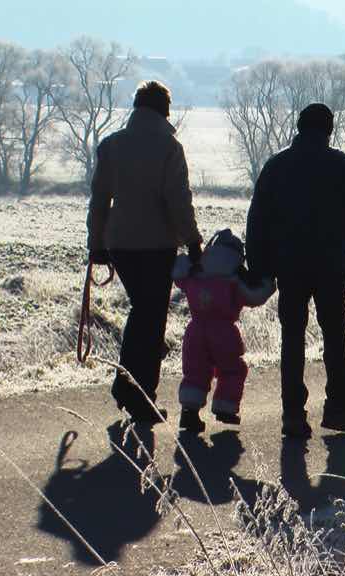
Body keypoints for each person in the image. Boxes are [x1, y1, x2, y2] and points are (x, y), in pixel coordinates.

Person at [246, 103, 345, 437]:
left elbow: (258, 220)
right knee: (335, 334)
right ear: (329, 130)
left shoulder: (277, 166)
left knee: (292, 337)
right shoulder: (342, 166)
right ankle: (337, 407)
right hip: (330, 265)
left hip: (289, 265)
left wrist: (259, 266)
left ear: (299, 127)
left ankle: (293, 414)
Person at [87, 80, 202, 425]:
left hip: (120, 244)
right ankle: (138, 396)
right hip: (157, 245)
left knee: (143, 314)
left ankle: (128, 387)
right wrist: (193, 241)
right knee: (150, 321)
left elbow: (99, 199)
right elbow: (178, 200)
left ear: (137, 108)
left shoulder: (112, 144)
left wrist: (97, 244)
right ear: (165, 110)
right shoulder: (169, 147)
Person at [172, 229, 276, 432]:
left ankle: (189, 413)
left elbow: (177, 270)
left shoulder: (196, 272)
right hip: (224, 333)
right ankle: (225, 407)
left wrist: (190, 258)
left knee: (195, 371)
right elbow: (255, 296)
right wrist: (268, 284)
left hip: (196, 330)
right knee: (232, 370)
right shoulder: (234, 279)